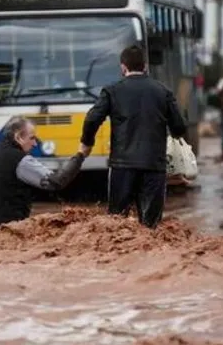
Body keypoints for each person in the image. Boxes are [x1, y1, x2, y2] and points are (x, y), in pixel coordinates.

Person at [78, 45, 186, 229]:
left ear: (123, 67)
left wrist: (87, 143)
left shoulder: (112, 91)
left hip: (122, 167)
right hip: (154, 166)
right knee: (151, 226)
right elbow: (179, 127)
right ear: (145, 66)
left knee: (116, 224)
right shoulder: (163, 91)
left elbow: (92, 119)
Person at [0, 116, 85, 228]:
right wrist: (80, 156)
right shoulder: (20, 160)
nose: (35, 144)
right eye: (32, 138)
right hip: (5, 231)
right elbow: (57, 181)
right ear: (18, 137)